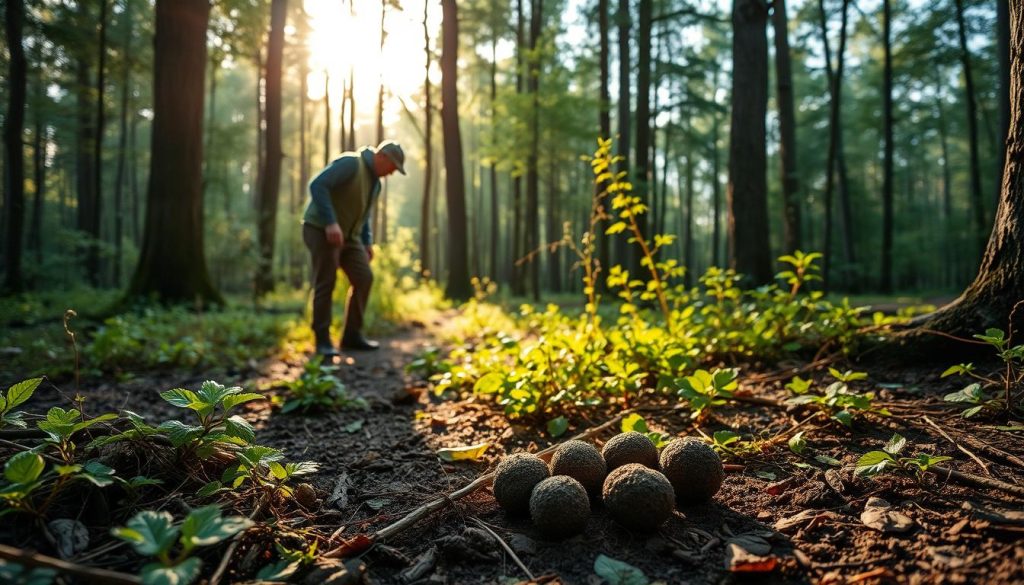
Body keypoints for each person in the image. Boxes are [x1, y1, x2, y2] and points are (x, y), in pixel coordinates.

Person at [302, 140, 406, 357]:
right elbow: (317, 185)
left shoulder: (375, 184)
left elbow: (364, 215)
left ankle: (351, 336)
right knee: (326, 281)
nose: (391, 173)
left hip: (350, 237)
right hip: (320, 228)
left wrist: (367, 242)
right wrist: (330, 222)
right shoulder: (351, 163)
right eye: (392, 167)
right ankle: (322, 340)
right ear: (382, 156)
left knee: (364, 277)